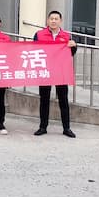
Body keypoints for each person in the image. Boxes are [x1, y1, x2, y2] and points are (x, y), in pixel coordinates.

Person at [33, 10, 77, 138]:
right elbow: (33, 50)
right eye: (51, 18)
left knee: (63, 100)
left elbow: (71, 53)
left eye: (56, 19)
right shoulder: (39, 34)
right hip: (45, 71)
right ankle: (43, 127)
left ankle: (66, 128)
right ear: (47, 20)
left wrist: (74, 46)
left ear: (60, 21)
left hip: (61, 71)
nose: (53, 21)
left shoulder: (66, 36)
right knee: (44, 99)